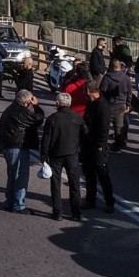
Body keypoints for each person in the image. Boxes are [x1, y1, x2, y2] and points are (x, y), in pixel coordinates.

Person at [40, 92, 85, 221]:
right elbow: (84, 134)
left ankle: (57, 212)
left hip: (56, 155)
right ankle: (76, 212)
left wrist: (43, 155)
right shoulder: (77, 117)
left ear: (58, 103)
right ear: (69, 103)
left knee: (55, 183)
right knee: (74, 184)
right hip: (72, 154)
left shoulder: (53, 118)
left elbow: (46, 139)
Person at [0, 89, 43, 213]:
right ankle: (18, 204)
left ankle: (10, 201)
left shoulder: (8, 110)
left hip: (7, 146)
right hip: (18, 147)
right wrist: (37, 106)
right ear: (27, 101)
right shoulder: (22, 112)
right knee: (20, 176)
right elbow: (38, 119)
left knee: (12, 175)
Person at [80, 81, 116, 213]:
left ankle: (109, 202)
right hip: (88, 144)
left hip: (98, 146)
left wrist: (100, 145)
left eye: (85, 91)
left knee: (102, 174)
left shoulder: (102, 106)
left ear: (88, 91)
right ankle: (90, 200)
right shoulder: (91, 103)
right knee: (88, 174)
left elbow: (103, 128)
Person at [100, 60, 132, 151]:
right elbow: (129, 93)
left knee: (104, 126)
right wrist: (128, 104)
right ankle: (118, 146)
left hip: (108, 104)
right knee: (119, 127)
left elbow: (102, 91)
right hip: (121, 104)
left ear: (111, 66)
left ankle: (102, 145)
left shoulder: (107, 77)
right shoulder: (126, 78)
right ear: (120, 67)